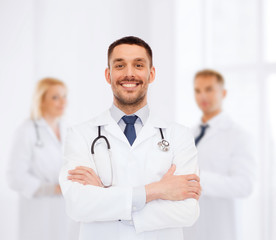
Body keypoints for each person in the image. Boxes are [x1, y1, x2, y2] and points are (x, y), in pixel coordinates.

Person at [59, 36, 201, 240]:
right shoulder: (81, 134)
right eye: (120, 65)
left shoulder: (179, 135)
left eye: (138, 65)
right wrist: (157, 190)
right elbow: (77, 205)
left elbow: (188, 212)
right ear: (108, 75)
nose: (129, 74)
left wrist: (106, 199)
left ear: (151, 74)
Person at [183, 69, 256, 240]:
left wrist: (197, 179)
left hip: (220, 229)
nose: (203, 96)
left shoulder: (239, 136)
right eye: (197, 90)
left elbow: (245, 185)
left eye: (209, 89)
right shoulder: (187, 134)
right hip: (189, 228)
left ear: (223, 93)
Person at [7, 78, 79, 240]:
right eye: (55, 97)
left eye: (64, 96)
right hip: (38, 210)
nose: (63, 102)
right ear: (41, 101)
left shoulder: (68, 128)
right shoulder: (26, 130)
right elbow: (14, 177)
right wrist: (51, 189)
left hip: (65, 210)